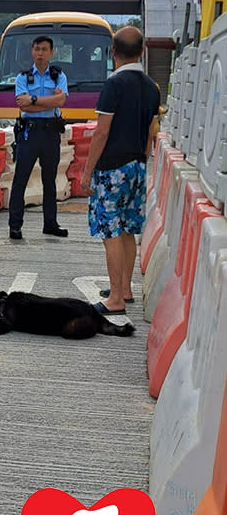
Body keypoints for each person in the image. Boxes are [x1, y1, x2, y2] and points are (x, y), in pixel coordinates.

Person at [80, 26, 160, 315]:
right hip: (138, 166)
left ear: (112, 52)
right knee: (128, 230)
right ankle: (125, 288)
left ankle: (114, 298)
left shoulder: (114, 85)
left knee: (110, 232)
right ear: (142, 52)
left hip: (112, 168)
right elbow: (152, 130)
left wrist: (87, 171)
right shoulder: (152, 87)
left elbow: (101, 132)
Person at [8, 35, 69, 240]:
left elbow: (60, 101)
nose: (40, 53)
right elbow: (22, 105)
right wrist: (48, 101)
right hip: (29, 133)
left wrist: (33, 99)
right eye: (36, 49)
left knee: (49, 180)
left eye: (44, 49)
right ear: (32, 52)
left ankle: (50, 223)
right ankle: (15, 225)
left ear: (51, 52)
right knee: (20, 179)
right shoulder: (22, 78)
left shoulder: (59, 76)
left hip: (51, 132)